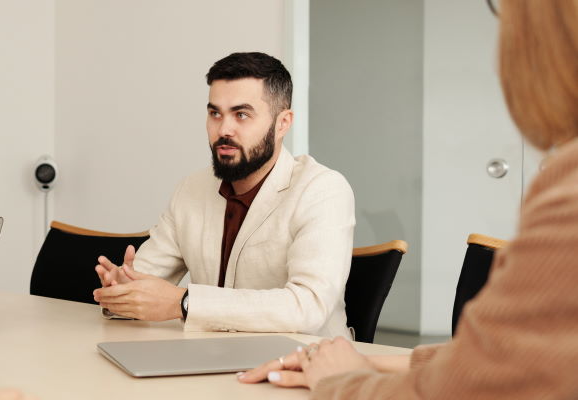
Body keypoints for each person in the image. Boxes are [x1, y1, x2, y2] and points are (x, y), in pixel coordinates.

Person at [239, 0, 578, 397]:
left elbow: (468, 388)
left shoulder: (567, 190)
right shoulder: (194, 190)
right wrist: (372, 360)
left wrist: (339, 380)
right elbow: (512, 359)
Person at [94, 52, 355, 337]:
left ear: (283, 123)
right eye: (215, 113)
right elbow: (141, 284)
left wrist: (183, 303)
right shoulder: (190, 190)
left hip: (304, 368)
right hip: (213, 361)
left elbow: (308, 307)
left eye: (241, 114)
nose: (224, 129)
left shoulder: (322, 190)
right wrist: (121, 292)